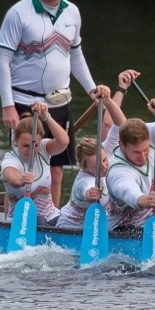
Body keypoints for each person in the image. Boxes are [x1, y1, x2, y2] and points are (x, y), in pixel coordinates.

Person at [0, 0, 98, 207]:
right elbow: (1, 61)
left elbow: (76, 54)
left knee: (57, 168)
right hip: (23, 100)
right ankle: (15, 216)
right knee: (23, 165)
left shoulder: (72, 11)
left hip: (59, 99)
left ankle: (52, 218)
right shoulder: (18, 14)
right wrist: (7, 105)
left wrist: (92, 89)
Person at [105, 97, 155, 230]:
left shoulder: (147, 134)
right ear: (122, 145)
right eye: (136, 152)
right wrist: (143, 200)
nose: (142, 156)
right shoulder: (117, 170)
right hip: (124, 230)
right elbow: (126, 190)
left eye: (145, 150)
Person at [56, 86, 128, 230]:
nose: (104, 167)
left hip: (97, 226)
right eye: (96, 167)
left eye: (104, 160)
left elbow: (122, 125)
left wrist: (108, 101)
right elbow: (86, 189)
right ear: (83, 166)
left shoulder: (105, 150)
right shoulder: (84, 181)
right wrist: (90, 193)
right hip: (70, 229)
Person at [1, 102, 70, 226]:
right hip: (21, 220)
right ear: (16, 142)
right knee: (40, 221)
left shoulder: (44, 149)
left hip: (51, 216)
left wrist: (46, 117)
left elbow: (64, 142)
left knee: (72, 221)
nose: (31, 150)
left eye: (35, 145)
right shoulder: (11, 158)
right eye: (25, 146)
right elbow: (10, 176)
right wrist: (21, 180)